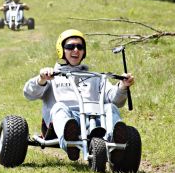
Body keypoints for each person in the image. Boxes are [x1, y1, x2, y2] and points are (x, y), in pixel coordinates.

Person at [23, 29, 135, 161]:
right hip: (67, 120)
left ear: (84, 52)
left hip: (95, 120)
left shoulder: (95, 77)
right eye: (70, 46)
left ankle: (115, 144)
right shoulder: (52, 75)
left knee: (110, 107)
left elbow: (116, 101)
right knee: (59, 107)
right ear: (62, 50)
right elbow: (29, 94)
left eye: (80, 47)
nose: (76, 50)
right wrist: (41, 79)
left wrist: (123, 86)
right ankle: (70, 143)